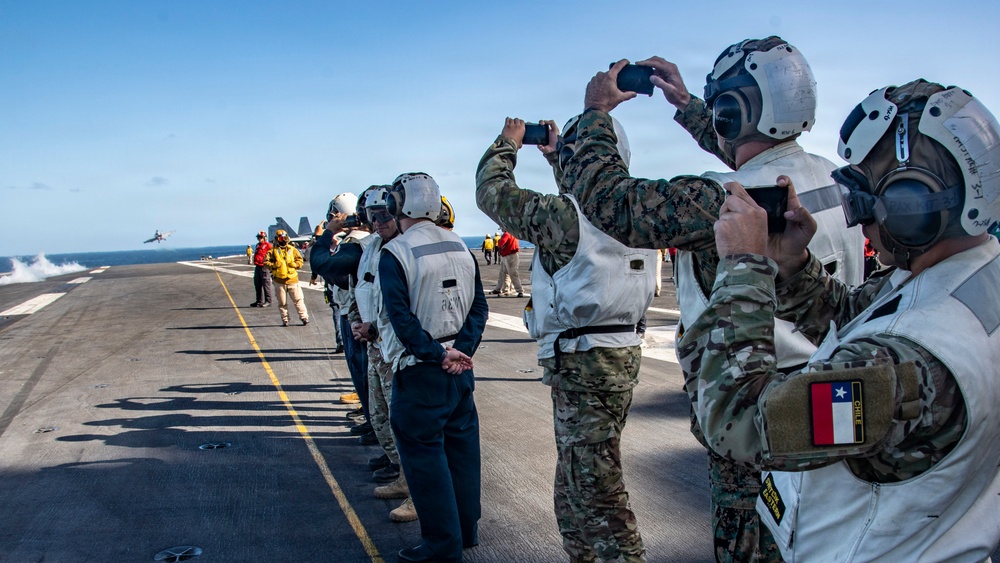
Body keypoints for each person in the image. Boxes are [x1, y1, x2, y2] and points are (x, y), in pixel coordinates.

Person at [563, 37, 865, 561]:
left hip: (759, 411)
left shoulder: (724, 200)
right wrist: (687, 105)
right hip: (836, 395)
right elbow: (754, 151)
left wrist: (595, 113)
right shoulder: (835, 182)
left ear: (731, 112)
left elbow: (609, 200)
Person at [682, 79, 1000, 561]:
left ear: (911, 206)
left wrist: (743, 267)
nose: (859, 220)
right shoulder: (967, 277)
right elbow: (861, 315)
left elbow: (739, 422)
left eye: (865, 199)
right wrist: (791, 266)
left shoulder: (902, 362)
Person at [477, 116, 655, 562]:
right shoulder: (639, 205)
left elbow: (492, 192)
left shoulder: (564, 216)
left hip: (583, 360)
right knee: (575, 487)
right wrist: (560, 161)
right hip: (615, 354)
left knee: (596, 494)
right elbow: (590, 207)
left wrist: (508, 143)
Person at [378, 172, 487, 562]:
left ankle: (442, 546)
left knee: (425, 460)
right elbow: (479, 307)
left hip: (421, 370)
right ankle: (466, 532)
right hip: (461, 369)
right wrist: (462, 351)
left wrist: (438, 355)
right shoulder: (460, 244)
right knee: (462, 453)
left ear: (398, 204)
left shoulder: (396, 252)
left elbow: (401, 319)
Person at [347, 185, 418, 523]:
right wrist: (357, 322)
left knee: (405, 425)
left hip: (396, 351)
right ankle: (403, 475)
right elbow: (363, 289)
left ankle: (417, 490)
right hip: (375, 347)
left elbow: (404, 307)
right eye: (371, 215)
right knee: (380, 417)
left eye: (384, 214)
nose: (378, 221)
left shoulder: (405, 250)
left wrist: (373, 329)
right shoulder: (373, 247)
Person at [265, 229, 309, 327]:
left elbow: (300, 260)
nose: (283, 240)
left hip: (292, 280)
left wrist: (295, 265)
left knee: (298, 300)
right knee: (282, 303)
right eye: (281, 238)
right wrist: (274, 265)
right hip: (279, 281)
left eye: (284, 238)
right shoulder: (272, 251)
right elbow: (266, 262)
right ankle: (285, 320)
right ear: (277, 239)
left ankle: (304, 317)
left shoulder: (292, 249)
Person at [491, 230, 524, 297]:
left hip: (509, 255)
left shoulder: (507, 234)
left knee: (512, 273)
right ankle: (502, 289)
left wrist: (500, 244)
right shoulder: (513, 233)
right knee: (503, 273)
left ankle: (519, 290)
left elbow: (500, 244)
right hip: (509, 255)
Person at [250, 231, 273, 308]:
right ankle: (259, 301)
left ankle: (268, 301)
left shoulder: (268, 245)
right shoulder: (258, 245)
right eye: (258, 237)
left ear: (264, 238)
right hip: (257, 266)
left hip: (264, 266)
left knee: (266, 284)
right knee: (257, 284)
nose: (259, 238)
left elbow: (273, 254)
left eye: (260, 237)